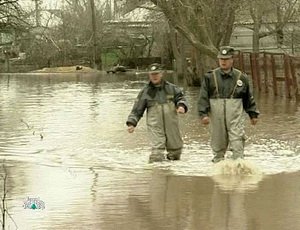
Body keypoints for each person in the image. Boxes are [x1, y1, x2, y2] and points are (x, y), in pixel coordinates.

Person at [197, 46, 259, 163]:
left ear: (232, 60)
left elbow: (248, 98)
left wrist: (253, 114)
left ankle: (239, 170)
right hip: (217, 116)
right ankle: (219, 172)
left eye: (226, 59)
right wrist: (203, 114)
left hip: (235, 116)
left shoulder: (241, 77)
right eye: (221, 59)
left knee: (237, 143)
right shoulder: (210, 77)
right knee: (218, 145)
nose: (223, 61)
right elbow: (203, 97)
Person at [126, 63, 188, 163]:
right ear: (149, 75)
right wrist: (131, 123)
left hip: (171, 124)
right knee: (157, 153)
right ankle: (156, 174)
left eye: (156, 74)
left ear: (161, 74)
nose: (154, 76)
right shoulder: (146, 92)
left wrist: (181, 106)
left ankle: (173, 175)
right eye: (152, 74)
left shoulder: (172, 88)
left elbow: (181, 98)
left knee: (176, 151)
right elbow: (137, 110)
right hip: (155, 125)